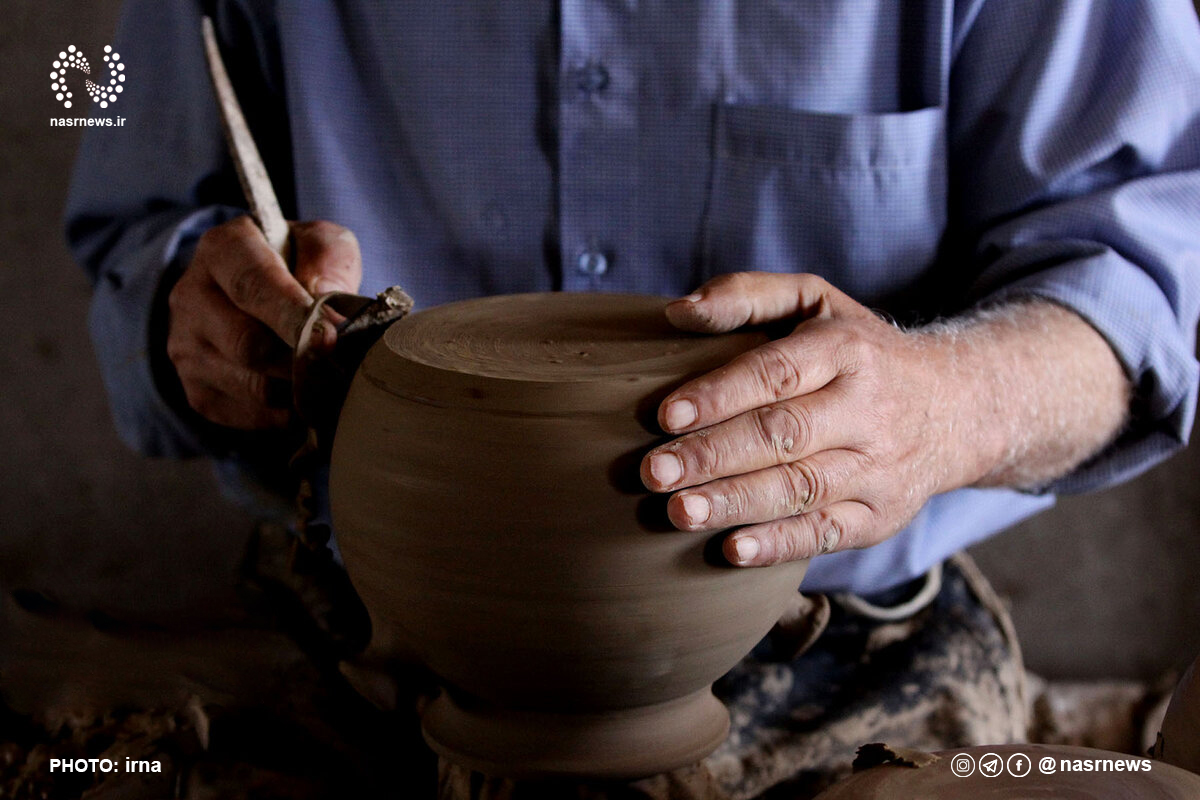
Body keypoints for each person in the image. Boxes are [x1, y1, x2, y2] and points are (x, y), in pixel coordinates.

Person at [67, 1, 1200, 797]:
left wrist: (946, 400)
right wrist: (189, 316)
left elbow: (1145, 274)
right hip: (368, 643)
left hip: (839, 652)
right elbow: (132, 205)